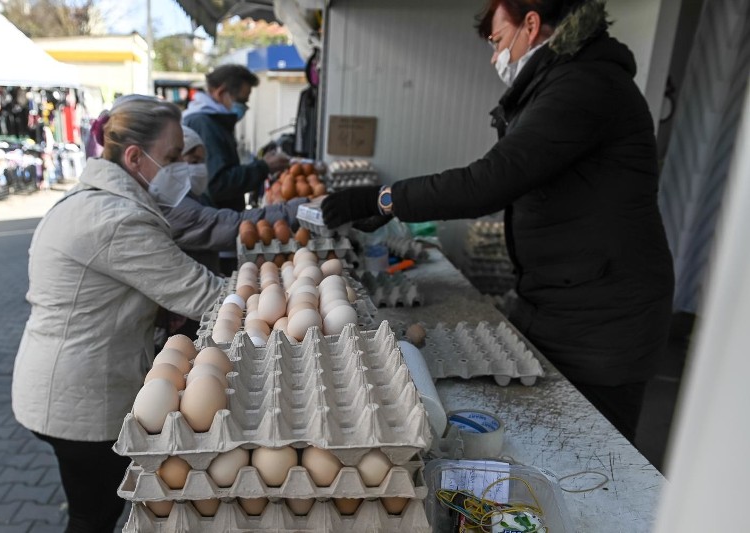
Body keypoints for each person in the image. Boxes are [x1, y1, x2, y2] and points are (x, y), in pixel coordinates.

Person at [321, 0, 674, 442]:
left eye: (497, 40)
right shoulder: (563, 82)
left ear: (531, 24)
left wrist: (385, 198)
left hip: (604, 315)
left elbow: (491, 180)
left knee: (595, 448)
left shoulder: (585, 85)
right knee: (546, 428)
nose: (495, 57)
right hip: (563, 293)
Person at [11, 95, 225, 533]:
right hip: (80, 397)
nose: (180, 167)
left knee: (93, 508)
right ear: (134, 157)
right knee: (95, 515)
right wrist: (276, 296)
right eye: (171, 157)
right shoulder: (117, 219)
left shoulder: (93, 199)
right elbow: (203, 296)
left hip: (59, 380)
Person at [153, 126, 307, 341]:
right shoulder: (173, 206)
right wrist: (301, 208)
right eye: (191, 160)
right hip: (185, 312)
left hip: (193, 305)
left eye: (201, 160)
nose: (199, 167)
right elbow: (228, 224)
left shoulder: (186, 195)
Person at [183, 64, 290, 212]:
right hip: (215, 218)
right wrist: (263, 166)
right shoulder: (204, 124)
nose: (245, 107)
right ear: (221, 93)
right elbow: (218, 184)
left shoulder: (213, 121)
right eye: (242, 101)